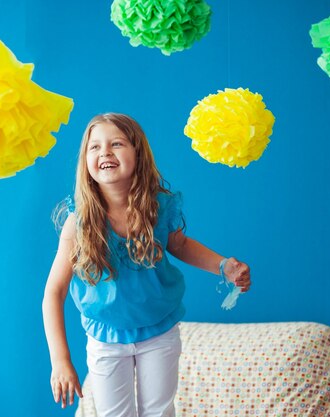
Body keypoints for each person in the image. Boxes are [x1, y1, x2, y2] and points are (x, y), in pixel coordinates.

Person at [42, 113, 251, 417]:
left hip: (159, 331)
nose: (105, 153)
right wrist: (60, 360)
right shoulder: (79, 222)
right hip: (106, 338)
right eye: (95, 147)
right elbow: (54, 293)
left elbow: (179, 244)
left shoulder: (158, 207)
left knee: (159, 411)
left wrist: (223, 266)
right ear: (85, 161)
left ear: (138, 154)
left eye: (116, 144)